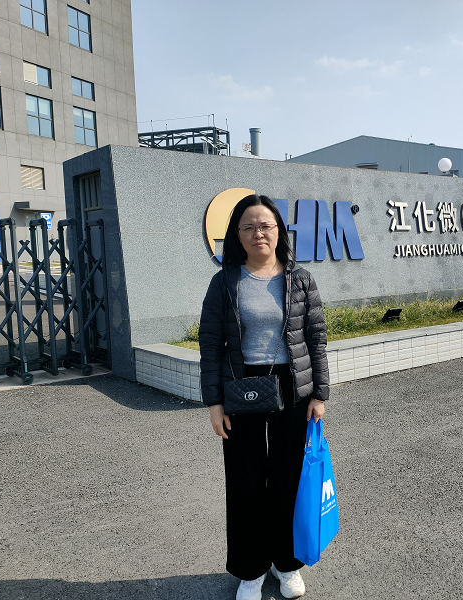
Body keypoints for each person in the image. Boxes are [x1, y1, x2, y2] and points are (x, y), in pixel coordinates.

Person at [199, 194, 330, 600]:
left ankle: (286, 564)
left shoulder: (300, 279)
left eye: (266, 225)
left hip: (293, 387)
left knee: (289, 478)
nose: (259, 233)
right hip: (242, 387)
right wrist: (214, 403)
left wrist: (319, 394)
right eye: (249, 227)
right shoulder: (225, 281)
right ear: (237, 235)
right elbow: (210, 343)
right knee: (246, 481)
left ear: (279, 231)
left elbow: (316, 338)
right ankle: (250, 569)